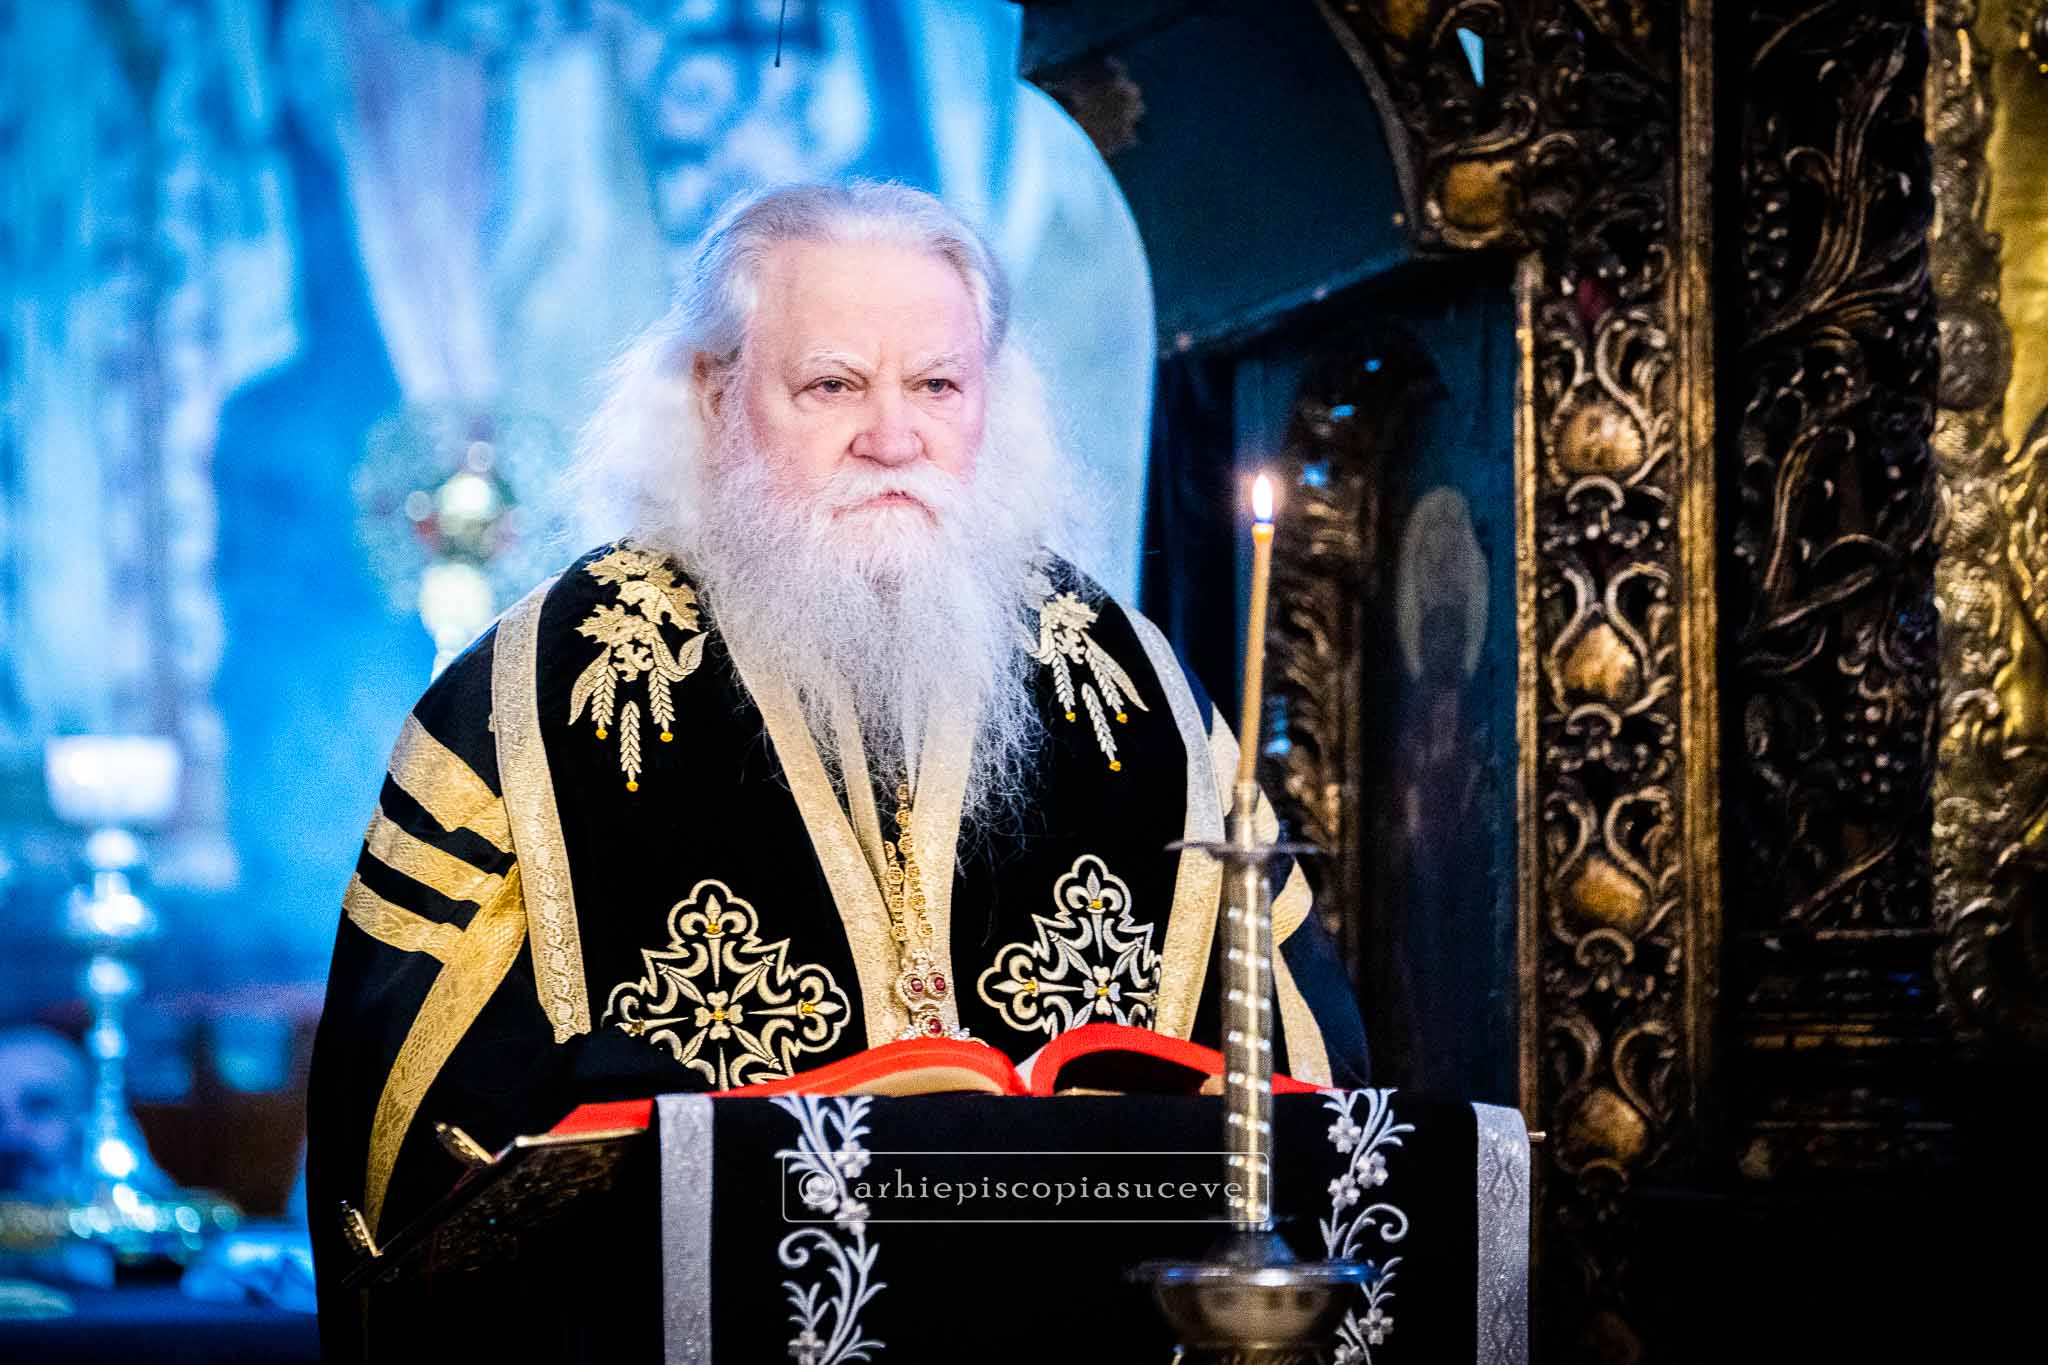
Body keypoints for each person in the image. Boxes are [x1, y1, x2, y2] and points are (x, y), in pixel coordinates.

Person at [306, 179, 1367, 1347]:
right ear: (713, 395)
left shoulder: (1130, 687)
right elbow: (416, 1140)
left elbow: (1305, 1095)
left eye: (937, 386)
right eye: (832, 386)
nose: (892, 438)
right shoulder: (534, 696)